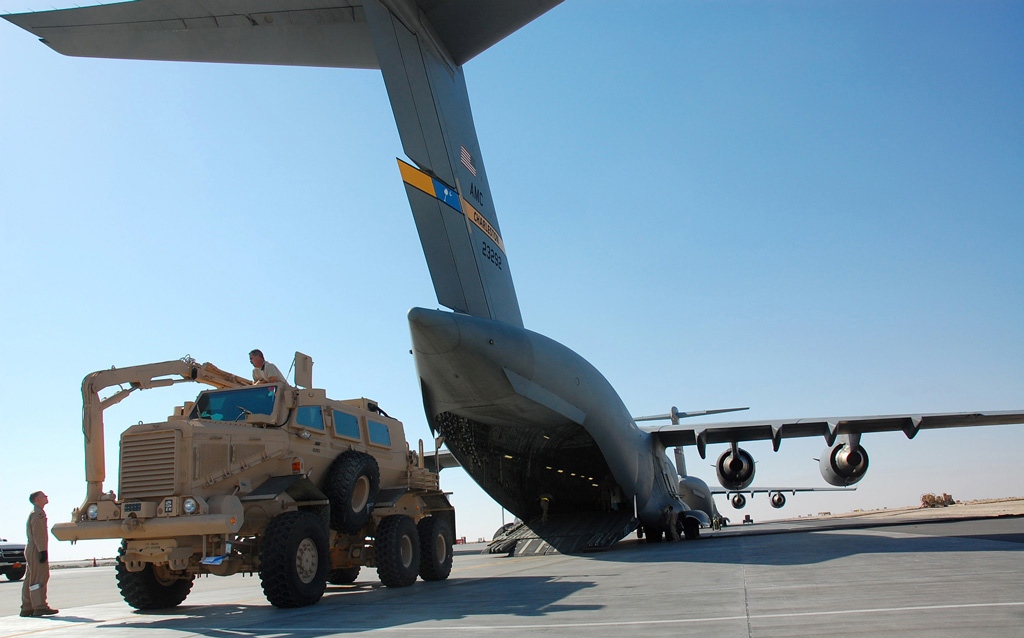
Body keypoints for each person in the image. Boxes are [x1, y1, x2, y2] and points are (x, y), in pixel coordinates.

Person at [20, 491, 57, 617]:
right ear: (37, 500)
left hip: (33, 548)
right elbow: (39, 534)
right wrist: (42, 551)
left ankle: (27, 607)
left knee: (31, 577)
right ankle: (40, 606)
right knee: (39, 578)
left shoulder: (35, 513)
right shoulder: (38, 514)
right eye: (43, 496)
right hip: (36, 548)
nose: (46, 497)